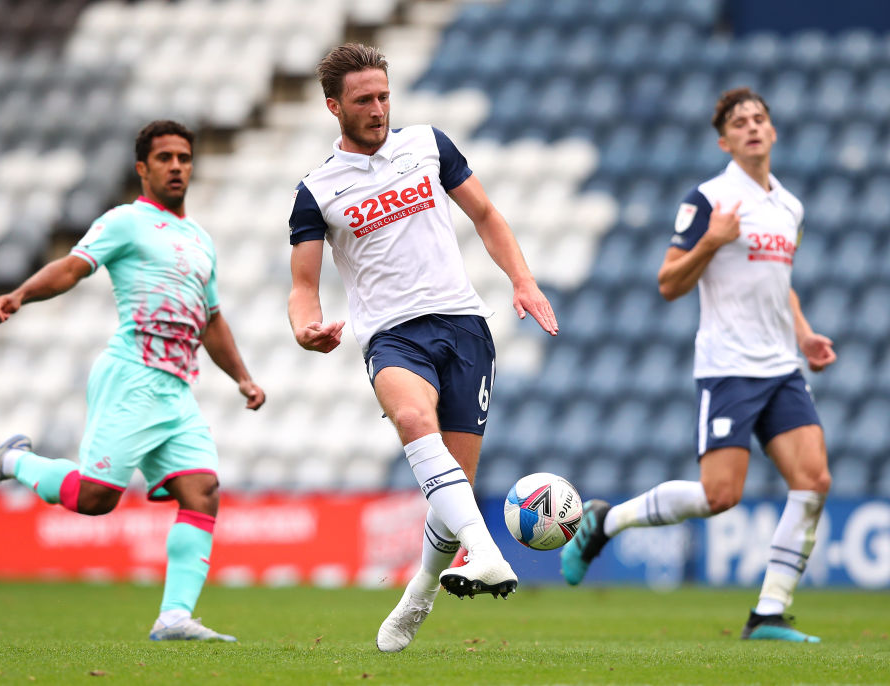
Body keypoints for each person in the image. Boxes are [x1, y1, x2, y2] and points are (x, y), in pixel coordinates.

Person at [286, 43, 559, 653]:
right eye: (364, 100)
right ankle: (485, 551)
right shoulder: (317, 191)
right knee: (413, 419)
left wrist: (522, 278)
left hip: (465, 328)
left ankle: (419, 594)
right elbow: (303, 287)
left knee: (451, 489)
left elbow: (487, 215)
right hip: (393, 335)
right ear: (334, 107)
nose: (379, 108)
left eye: (384, 95)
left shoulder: (429, 145)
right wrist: (307, 327)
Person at [0, 120, 264, 642]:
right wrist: (20, 295)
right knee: (96, 498)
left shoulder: (200, 240)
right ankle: (10, 460)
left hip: (175, 387)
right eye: (165, 158)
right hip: (132, 376)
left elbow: (211, 318)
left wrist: (242, 377)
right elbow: (73, 267)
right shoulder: (126, 221)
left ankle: (174, 618)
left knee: (203, 489)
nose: (176, 166)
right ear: (143, 168)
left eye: (184, 158)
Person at [560, 88, 836, 643]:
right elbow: (668, 283)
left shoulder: (789, 206)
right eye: (740, 122)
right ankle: (606, 521)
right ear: (724, 140)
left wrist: (804, 336)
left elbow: (780, 286)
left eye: (760, 119)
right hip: (729, 366)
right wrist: (711, 242)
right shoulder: (709, 199)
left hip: (781, 366)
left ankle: (769, 614)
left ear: (773, 132)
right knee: (720, 496)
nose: (753, 127)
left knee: (814, 480)